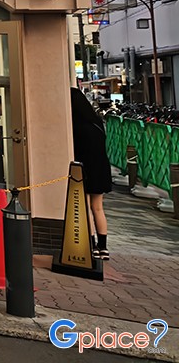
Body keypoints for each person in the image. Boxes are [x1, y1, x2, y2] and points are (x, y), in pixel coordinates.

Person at [71, 88, 112, 260]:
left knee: (86, 207)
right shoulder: (96, 122)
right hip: (101, 168)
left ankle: (91, 244)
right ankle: (103, 247)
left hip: (84, 169)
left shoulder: (76, 126)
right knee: (98, 208)